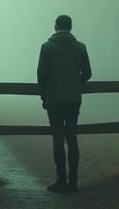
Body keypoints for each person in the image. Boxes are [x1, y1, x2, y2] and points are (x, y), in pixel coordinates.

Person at [37, 14, 92, 193]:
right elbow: (88, 73)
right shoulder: (81, 47)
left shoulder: (46, 47)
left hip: (54, 99)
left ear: (55, 27)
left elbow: (41, 75)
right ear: (71, 27)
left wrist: (44, 96)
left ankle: (61, 180)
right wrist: (76, 85)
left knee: (58, 140)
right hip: (73, 99)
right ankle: (73, 180)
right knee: (72, 138)